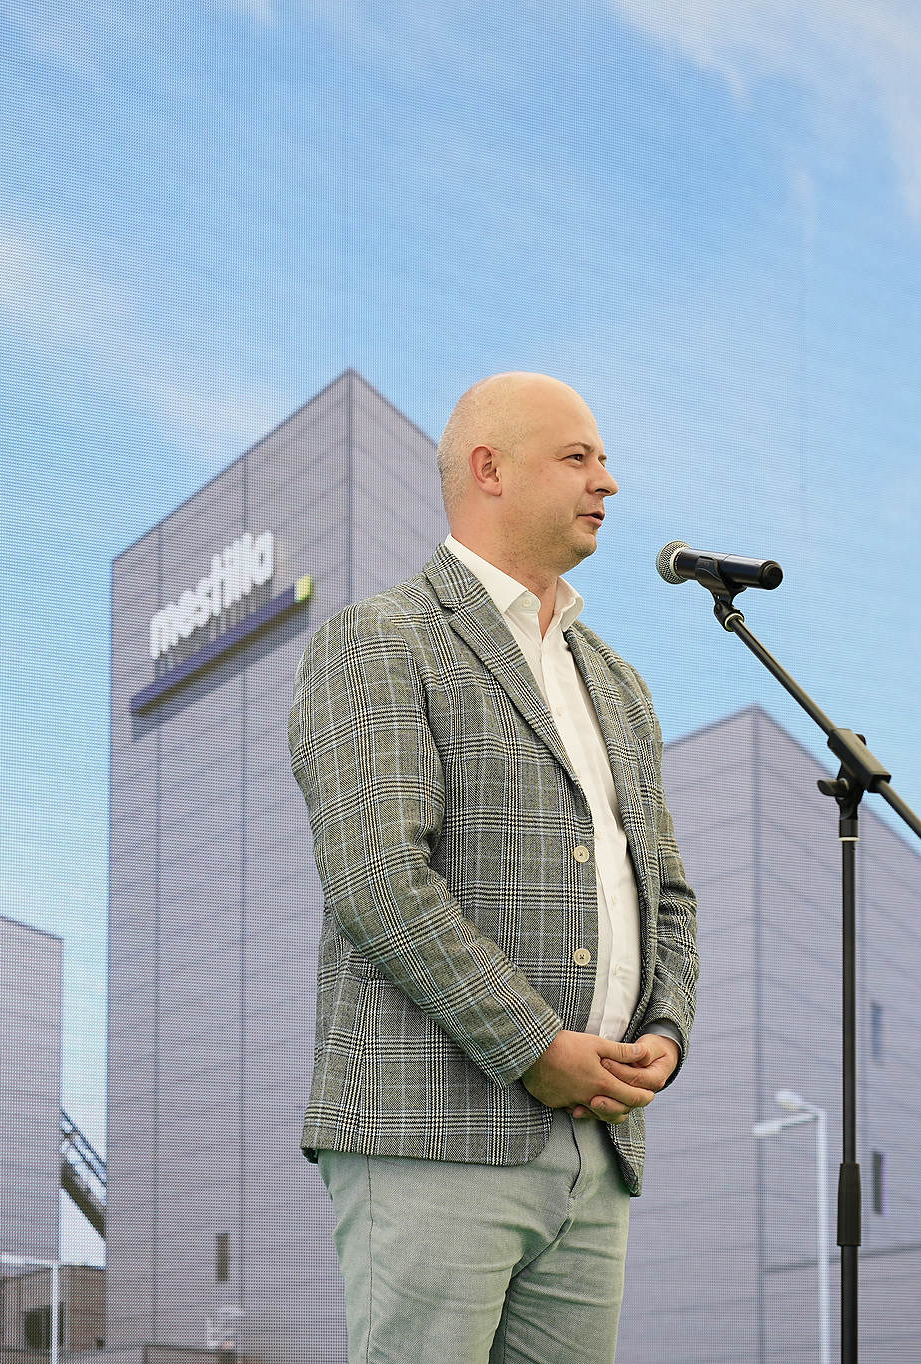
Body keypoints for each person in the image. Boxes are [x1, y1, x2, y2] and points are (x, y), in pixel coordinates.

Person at [287, 371, 701, 1361]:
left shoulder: (619, 682)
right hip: (431, 1133)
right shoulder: (380, 640)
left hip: (595, 1149)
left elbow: (668, 893)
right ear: (490, 469)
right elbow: (378, 879)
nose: (607, 479)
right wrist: (536, 1047)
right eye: (578, 457)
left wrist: (665, 1030)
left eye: (602, 459)